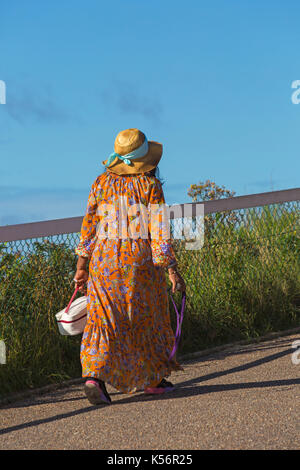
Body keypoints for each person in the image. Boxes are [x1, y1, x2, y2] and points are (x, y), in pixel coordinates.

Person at [74, 128, 186, 405]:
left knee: (104, 320)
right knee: (146, 317)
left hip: (104, 260)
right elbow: (159, 232)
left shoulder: (100, 182)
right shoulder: (150, 186)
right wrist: (172, 269)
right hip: (139, 261)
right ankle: (153, 380)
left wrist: (81, 266)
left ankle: (93, 378)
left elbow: (89, 226)